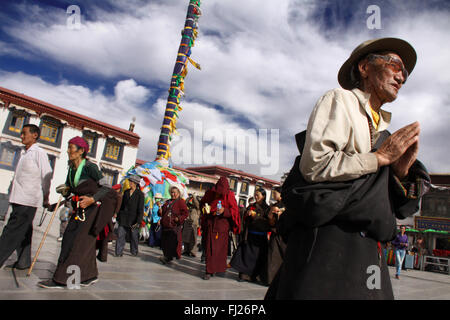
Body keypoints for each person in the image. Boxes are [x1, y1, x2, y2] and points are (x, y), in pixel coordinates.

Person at [266, 38, 430, 300]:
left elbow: (375, 190)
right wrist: (379, 159)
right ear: (365, 67)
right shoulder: (340, 100)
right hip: (331, 240)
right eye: (395, 65)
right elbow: (316, 165)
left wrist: (398, 172)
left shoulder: (380, 128)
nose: (401, 77)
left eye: (405, 73)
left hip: (368, 249)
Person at [38, 136, 117, 288]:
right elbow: (71, 189)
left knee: (75, 242)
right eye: (68, 147)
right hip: (79, 209)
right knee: (80, 242)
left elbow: (106, 187)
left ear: (81, 151)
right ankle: (88, 276)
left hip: (92, 210)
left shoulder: (90, 167)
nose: (68, 151)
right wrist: (65, 191)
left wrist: (92, 199)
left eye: (71, 148)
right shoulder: (72, 167)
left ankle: (61, 279)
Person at [0, 124, 52, 270]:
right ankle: (23, 262)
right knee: (24, 232)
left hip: (28, 200)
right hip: (18, 197)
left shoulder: (39, 153)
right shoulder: (24, 153)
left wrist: (46, 197)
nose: (21, 136)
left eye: (24, 133)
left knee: (11, 231)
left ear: (35, 135)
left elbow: (47, 175)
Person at [199, 177, 240, 280]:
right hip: (211, 223)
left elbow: (234, 211)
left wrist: (224, 211)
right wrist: (205, 209)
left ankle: (216, 268)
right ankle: (209, 270)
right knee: (209, 248)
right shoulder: (210, 193)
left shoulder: (229, 195)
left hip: (222, 226)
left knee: (219, 250)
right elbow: (202, 203)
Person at [230, 188, 270, 285]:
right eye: (255, 195)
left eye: (258, 195)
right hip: (250, 235)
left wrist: (256, 216)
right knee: (246, 256)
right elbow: (244, 219)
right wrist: (247, 215)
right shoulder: (251, 206)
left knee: (257, 258)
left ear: (263, 196)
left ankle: (254, 276)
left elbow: (267, 223)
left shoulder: (267, 208)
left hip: (260, 237)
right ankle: (243, 275)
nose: (256, 197)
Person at [115, 175, 144, 257]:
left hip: (134, 219)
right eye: (130, 181)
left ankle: (134, 251)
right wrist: (118, 215)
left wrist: (138, 221)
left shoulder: (140, 194)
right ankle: (118, 252)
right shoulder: (126, 192)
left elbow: (140, 209)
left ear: (135, 183)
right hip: (124, 217)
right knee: (120, 234)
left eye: (131, 181)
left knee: (134, 236)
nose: (130, 183)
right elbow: (122, 205)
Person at [159, 186, 188, 265]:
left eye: (175, 192)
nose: (173, 194)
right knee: (165, 243)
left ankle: (168, 257)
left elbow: (185, 213)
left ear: (178, 193)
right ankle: (167, 256)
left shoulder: (181, 202)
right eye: (172, 192)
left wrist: (178, 218)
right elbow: (163, 213)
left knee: (171, 243)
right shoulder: (167, 202)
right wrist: (160, 211)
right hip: (166, 225)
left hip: (174, 226)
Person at [96, 184, 121, 262]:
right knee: (104, 237)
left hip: (106, 218)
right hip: (106, 219)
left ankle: (102, 255)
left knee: (104, 237)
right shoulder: (110, 196)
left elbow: (118, 206)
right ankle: (102, 255)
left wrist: (115, 213)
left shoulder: (117, 196)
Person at [266, 186, 286, 285]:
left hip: (285, 233)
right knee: (272, 256)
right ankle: (271, 280)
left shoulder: (287, 205)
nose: (274, 195)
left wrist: (281, 212)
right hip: (275, 233)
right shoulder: (273, 206)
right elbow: (271, 222)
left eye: (275, 193)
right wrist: (271, 215)